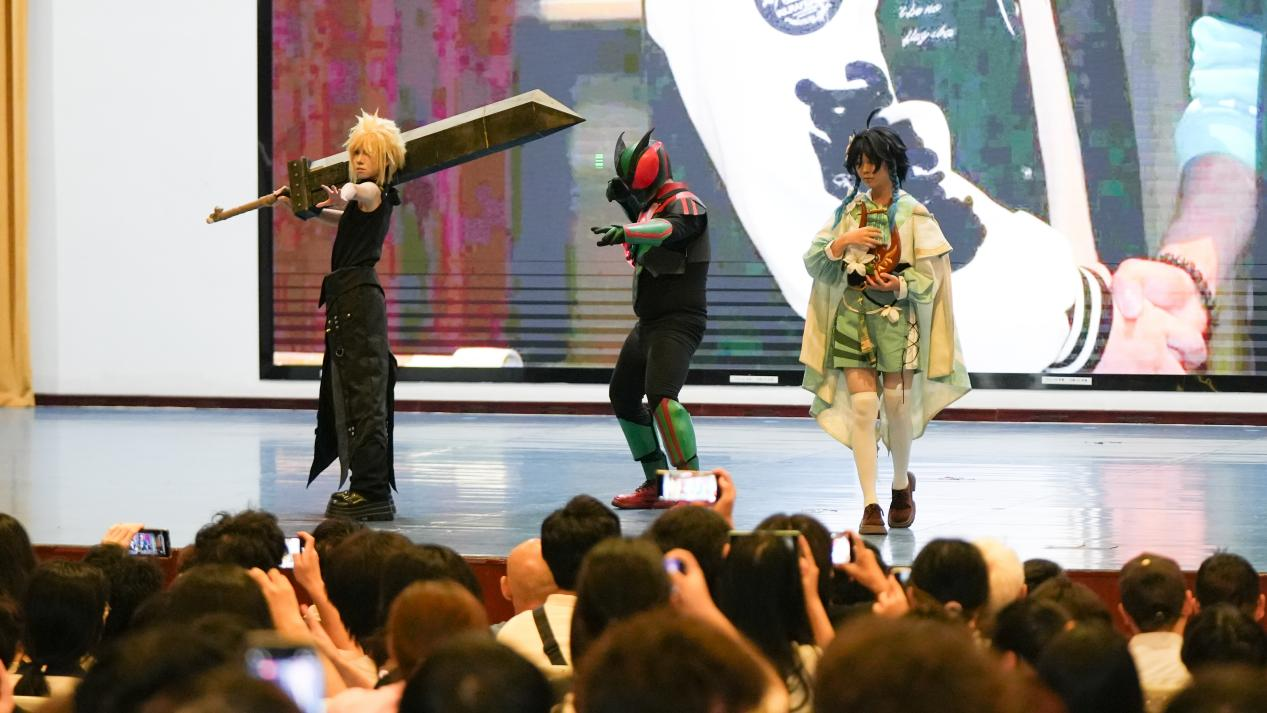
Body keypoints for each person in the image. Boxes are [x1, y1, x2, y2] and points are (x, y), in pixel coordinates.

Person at [800, 123, 969, 534]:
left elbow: (932, 278)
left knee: (895, 404)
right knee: (862, 407)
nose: (864, 170)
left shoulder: (914, 213)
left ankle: (899, 486)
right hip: (851, 317)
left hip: (897, 321)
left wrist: (899, 284)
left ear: (890, 163)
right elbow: (816, 262)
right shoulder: (847, 213)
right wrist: (842, 242)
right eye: (858, 163)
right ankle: (870, 504)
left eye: (871, 162)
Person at [276, 110, 407, 521]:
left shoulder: (375, 193)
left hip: (358, 302)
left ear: (385, 158)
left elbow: (360, 194)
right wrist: (307, 209)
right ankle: (367, 486)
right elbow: (347, 215)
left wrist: (347, 190)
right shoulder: (367, 201)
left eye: (368, 153)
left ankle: (370, 490)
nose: (360, 159)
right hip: (349, 300)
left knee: (364, 395)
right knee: (352, 393)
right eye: (356, 153)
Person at [591, 130, 711, 509]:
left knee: (662, 398)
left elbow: (670, 230)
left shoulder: (686, 203)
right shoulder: (655, 206)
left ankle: (693, 491)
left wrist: (627, 229)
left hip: (678, 321)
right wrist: (628, 204)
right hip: (649, 323)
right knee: (624, 395)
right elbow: (652, 223)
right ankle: (658, 483)